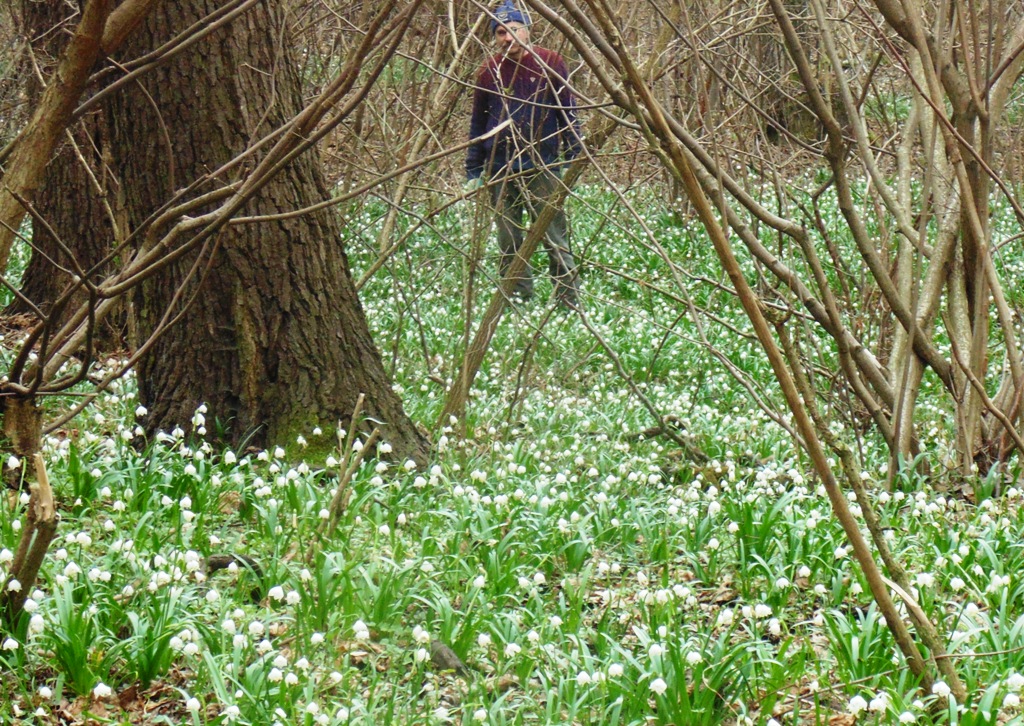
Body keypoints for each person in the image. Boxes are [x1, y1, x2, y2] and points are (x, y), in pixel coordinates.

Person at [465, 0, 582, 308]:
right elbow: (478, 124)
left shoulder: (551, 62)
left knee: (555, 237)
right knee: (509, 241)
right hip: (500, 168)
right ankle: (518, 301)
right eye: (500, 32)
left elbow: (568, 112)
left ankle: (568, 301)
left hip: (543, 166)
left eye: (514, 29)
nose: (508, 37)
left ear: (527, 30)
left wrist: (574, 156)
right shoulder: (488, 72)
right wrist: (474, 171)